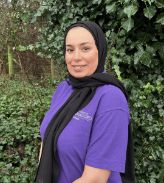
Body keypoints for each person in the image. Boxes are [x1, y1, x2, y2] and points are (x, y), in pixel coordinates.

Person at [33, 21, 135, 183]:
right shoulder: (63, 89)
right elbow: (48, 139)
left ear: (100, 51)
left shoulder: (111, 98)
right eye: (70, 50)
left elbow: (94, 179)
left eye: (85, 48)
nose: (76, 57)